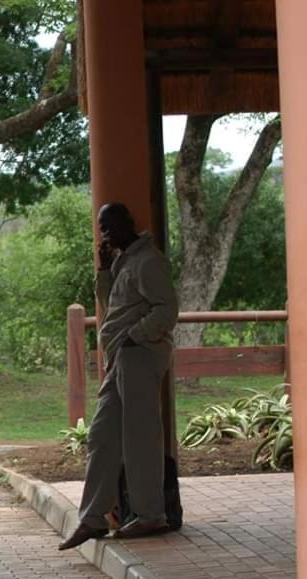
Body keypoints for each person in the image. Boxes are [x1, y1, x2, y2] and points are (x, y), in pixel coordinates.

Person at [59, 202, 179, 550]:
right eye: (102, 228)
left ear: (129, 223)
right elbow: (111, 305)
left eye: (111, 226)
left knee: (140, 436)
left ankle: (150, 514)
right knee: (102, 435)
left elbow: (167, 310)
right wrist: (104, 270)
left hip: (139, 354)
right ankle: (92, 518)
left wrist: (135, 335)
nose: (106, 234)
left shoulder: (150, 260)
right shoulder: (125, 260)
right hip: (120, 358)